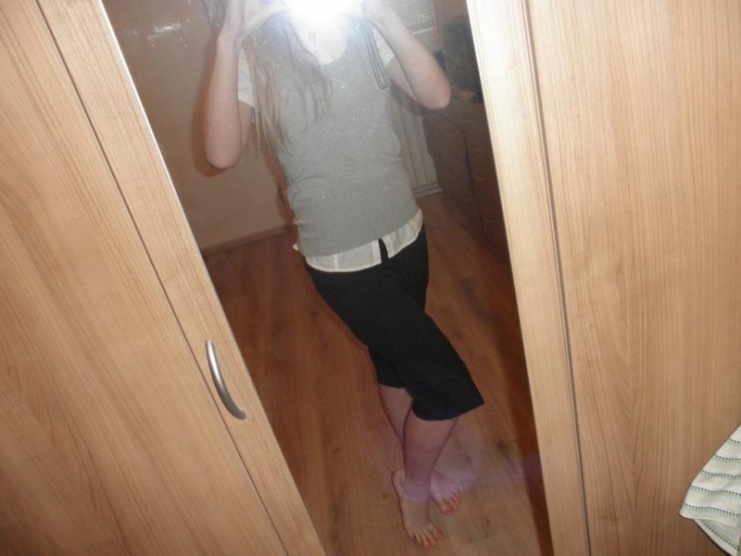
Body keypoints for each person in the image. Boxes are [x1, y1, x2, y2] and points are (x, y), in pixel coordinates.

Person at [203, 0, 484, 547]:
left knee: (395, 363)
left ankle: (414, 461)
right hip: (341, 259)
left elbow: (436, 96)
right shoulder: (255, 54)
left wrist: (382, 15)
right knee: (447, 388)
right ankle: (414, 484)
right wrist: (227, 42)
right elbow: (221, 153)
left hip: (406, 233)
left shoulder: (363, 29)